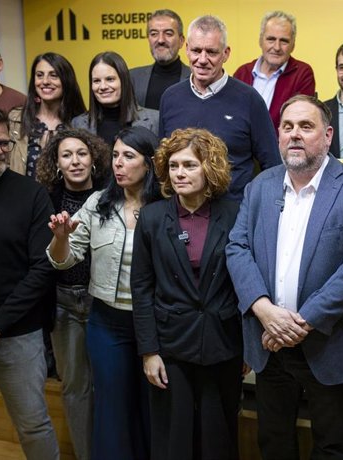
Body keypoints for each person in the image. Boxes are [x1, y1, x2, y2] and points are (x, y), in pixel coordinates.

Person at [226, 95, 343, 460]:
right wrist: (265, 311)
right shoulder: (260, 186)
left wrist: (300, 323)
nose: (295, 135)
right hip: (269, 343)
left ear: (328, 136)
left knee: (330, 446)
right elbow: (237, 248)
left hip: (327, 342)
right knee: (273, 442)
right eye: (288, 127)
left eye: (306, 127)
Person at [46, 126, 161, 460]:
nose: (118, 164)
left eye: (129, 156)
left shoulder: (166, 205)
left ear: (149, 163)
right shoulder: (99, 202)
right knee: (111, 408)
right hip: (107, 324)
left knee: (152, 406)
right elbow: (62, 259)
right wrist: (61, 237)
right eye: (115, 156)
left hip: (153, 325)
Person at [131, 128, 243, 460]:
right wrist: (149, 351)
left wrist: (247, 346)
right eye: (174, 166)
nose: (180, 173)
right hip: (171, 346)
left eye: (190, 165)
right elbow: (141, 287)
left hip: (223, 343)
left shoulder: (235, 214)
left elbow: (245, 282)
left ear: (210, 168)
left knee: (219, 436)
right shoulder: (152, 218)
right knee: (173, 438)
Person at [0, 104, 59, 459]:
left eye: (4, 143)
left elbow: (43, 268)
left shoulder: (31, 194)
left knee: (34, 425)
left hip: (17, 332)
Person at [35, 128, 110, 460]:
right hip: (63, 303)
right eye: (67, 155)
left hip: (103, 304)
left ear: (93, 159)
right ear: (56, 162)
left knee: (109, 385)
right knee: (75, 389)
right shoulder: (44, 200)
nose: (75, 161)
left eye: (82, 153)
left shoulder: (111, 196)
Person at [159, 15, 281, 202]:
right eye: (196, 50)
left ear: (226, 53)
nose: (202, 59)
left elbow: (273, 166)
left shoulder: (249, 99)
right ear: (187, 50)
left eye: (212, 52)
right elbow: (163, 163)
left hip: (234, 217)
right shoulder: (170, 98)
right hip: (180, 217)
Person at [233, 11, 316, 131]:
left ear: (293, 45)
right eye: (271, 39)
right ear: (260, 41)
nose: (277, 47)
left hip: (279, 148)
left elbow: (299, 122)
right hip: (242, 146)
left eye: (284, 41)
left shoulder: (302, 74)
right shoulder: (242, 73)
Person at [8, 52, 86, 177]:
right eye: (39, 75)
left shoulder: (82, 123)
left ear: (66, 80)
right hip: (25, 195)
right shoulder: (16, 119)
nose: (45, 81)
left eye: (53, 75)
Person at [73, 51, 159, 144]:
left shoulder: (155, 120)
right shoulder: (78, 124)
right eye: (96, 81)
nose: (103, 87)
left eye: (110, 79)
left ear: (124, 81)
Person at [129, 9, 191, 110]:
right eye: (154, 34)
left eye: (168, 33)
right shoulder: (131, 78)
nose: (160, 40)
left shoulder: (197, 78)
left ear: (181, 41)